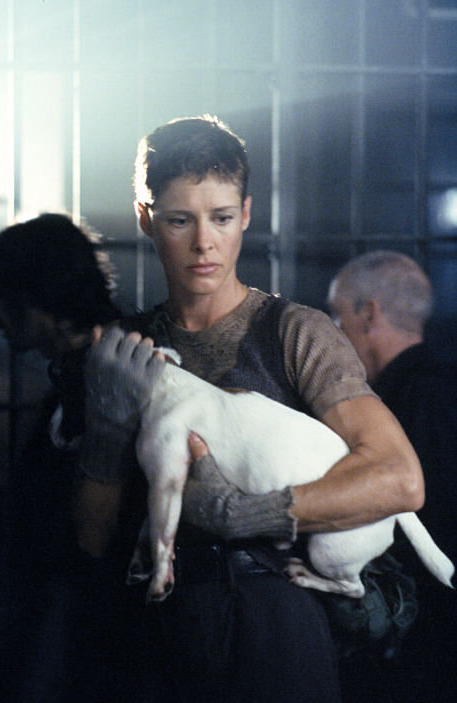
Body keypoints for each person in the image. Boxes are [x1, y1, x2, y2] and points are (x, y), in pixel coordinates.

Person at [76, 116, 424, 703]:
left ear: (245, 214)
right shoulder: (127, 349)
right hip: (154, 631)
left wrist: (246, 515)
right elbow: (91, 541)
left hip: (276, 627)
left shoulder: (295, 333)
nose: (203, 243)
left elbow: (400, 480)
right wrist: (107, 432)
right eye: (179, 219)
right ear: (145, 218)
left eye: (220, 217)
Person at [0, 213, 123, 702]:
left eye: (6, 296)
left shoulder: (111, 377)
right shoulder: (75, 376)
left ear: (42, 297)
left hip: (80, 640)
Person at [327, 250, 457, 702]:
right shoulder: (442, 389)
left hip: (421, 642)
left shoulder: (406, 405)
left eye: (338, 318)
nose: (335, 334)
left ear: (370, 314)